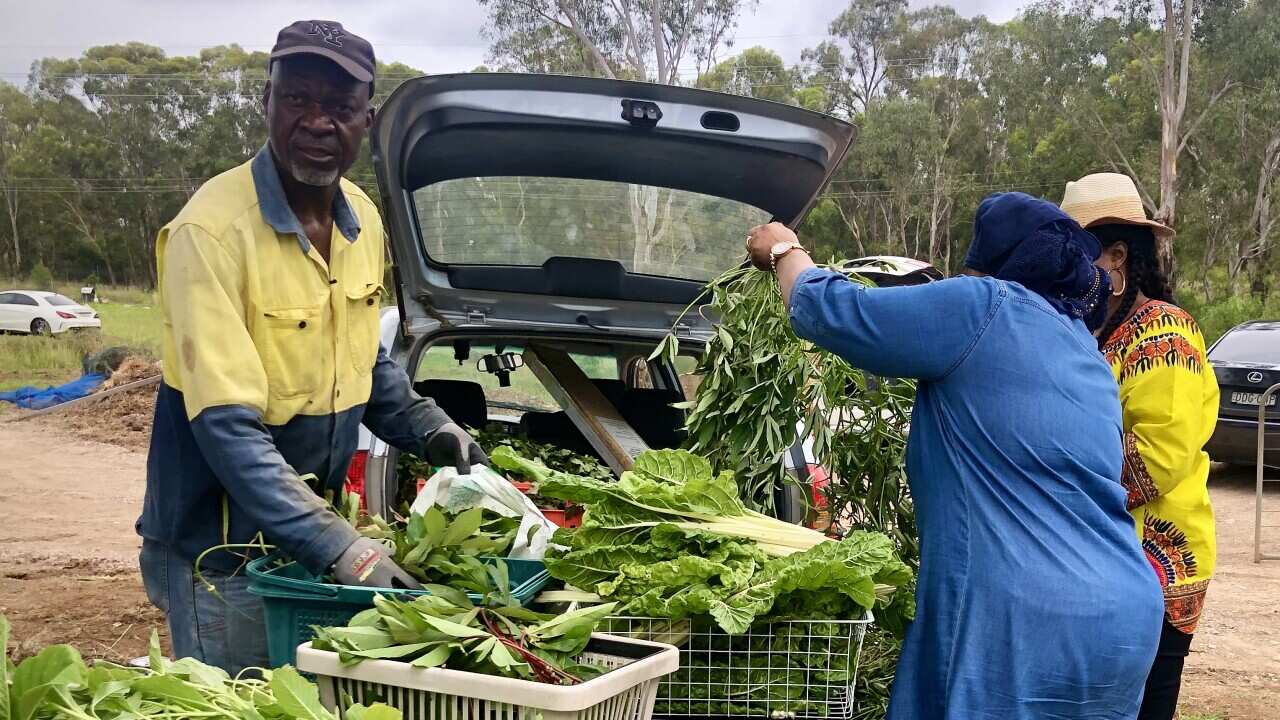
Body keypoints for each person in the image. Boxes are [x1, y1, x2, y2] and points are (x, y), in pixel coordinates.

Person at [137, 20, 487, 676]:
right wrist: (344, 549)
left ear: (367, 119)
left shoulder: (362, 218)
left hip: (303, 543)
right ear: (265, 102)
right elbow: (228, 430)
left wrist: (434, 428)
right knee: (240, 707)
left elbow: (363, 363)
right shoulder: (210, 233)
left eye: (339, 106)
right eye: (298, 99)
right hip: (222, 555)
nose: (318, 122)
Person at [747, 193, 1163, 720]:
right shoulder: (1083, 347)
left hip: (1022, 619)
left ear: (992, 260)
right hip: (1120, 617)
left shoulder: (985, 305)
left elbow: (832, 310)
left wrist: (783, 248)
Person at [1062, 173, 1219, 720]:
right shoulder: (1095, 329)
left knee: (1142, 706)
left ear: (1119, 256)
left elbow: (1157, 458)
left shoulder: (1164, 335)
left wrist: (1061, 499)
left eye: (1079, 255)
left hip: (1153, 565)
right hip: (1107, 558)